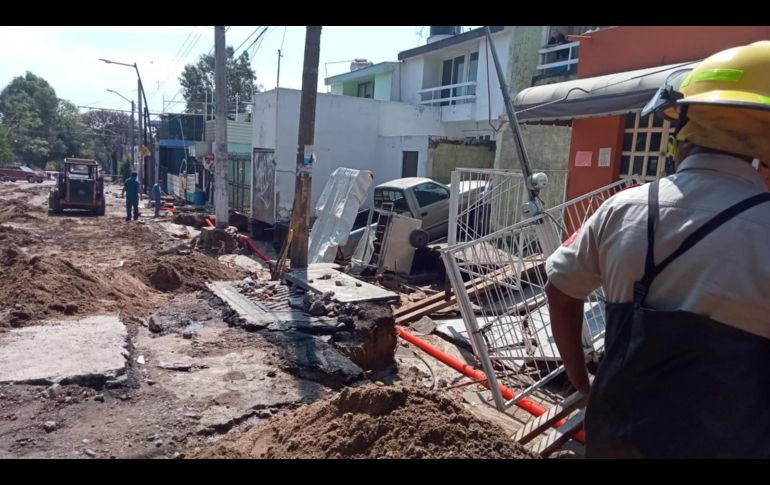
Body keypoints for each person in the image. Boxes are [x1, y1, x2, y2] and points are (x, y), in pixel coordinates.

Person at [544, 41, 770, 458]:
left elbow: (559, 287)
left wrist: (582, 383)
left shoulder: (624, 207)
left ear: (683, 131)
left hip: (616, 437)